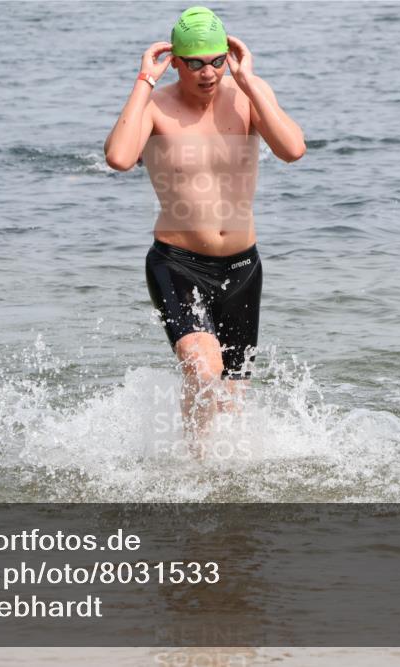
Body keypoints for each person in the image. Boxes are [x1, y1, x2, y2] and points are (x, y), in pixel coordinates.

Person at [104, 6, 305, 455]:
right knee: (203, 367)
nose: (208, 73)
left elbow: (293, 149)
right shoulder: (155, 106)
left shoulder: (248, 96)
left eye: (216, 60)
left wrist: (248, 81)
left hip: (243, 267)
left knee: (231, 400)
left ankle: (220, 477)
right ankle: (194, 464)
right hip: (178, 264)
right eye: (195, 63)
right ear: (175, 61)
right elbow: (118, 158)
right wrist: (143, 81)